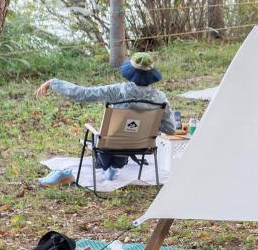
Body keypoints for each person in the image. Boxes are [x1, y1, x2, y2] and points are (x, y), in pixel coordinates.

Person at [35, 52, 177, 181]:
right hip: (142, 145)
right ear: (151, 74)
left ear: (131, 72)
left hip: (110, 145)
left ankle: (108, 167)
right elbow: (170, 130)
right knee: (125, 139)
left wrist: (53, 82)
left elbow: (83, 94)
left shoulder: (117, 91)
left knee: (102, 139)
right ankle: (114, 167)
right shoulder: (161, 99)